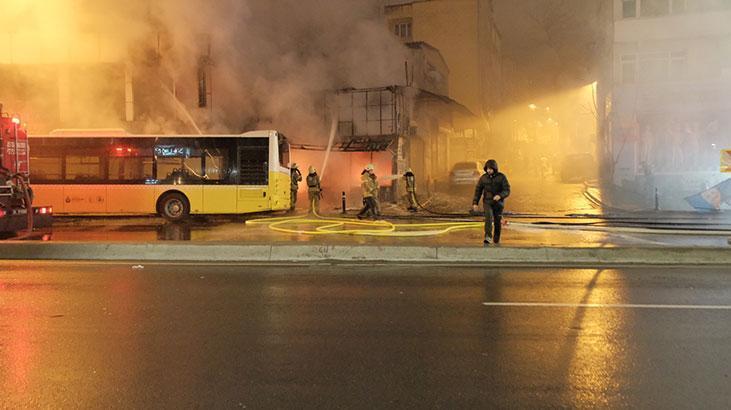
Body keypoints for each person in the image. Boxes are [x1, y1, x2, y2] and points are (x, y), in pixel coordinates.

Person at [472, 159, 510, 245]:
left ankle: (496, 238)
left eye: (490, 169)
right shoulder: (483, 178)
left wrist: (500, 196)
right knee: (488, 218)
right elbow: (478, 191)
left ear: (494, 168)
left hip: (498, 204)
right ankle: (488, 237)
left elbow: (507, 190)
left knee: (497, 221)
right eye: (487, 169)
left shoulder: (502, 177)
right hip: (487, 202)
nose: (488, 170)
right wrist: (475, 203)